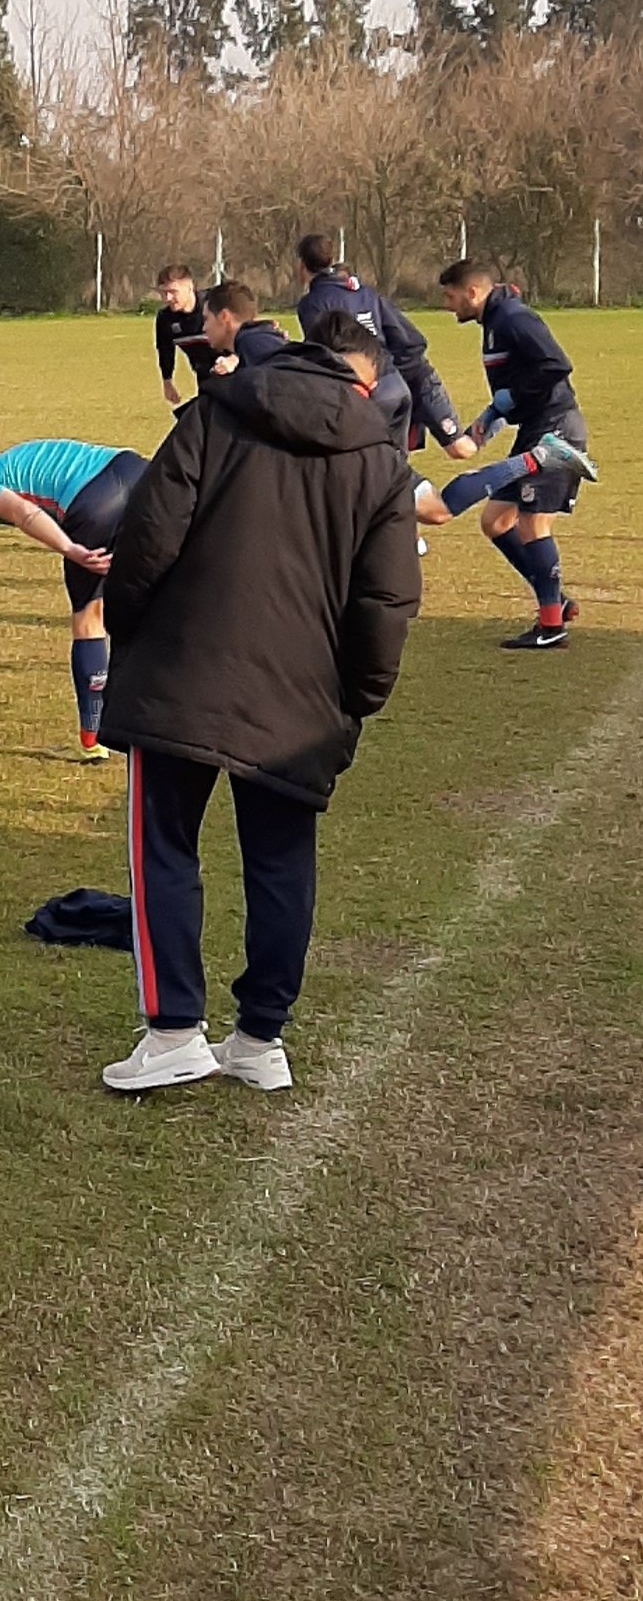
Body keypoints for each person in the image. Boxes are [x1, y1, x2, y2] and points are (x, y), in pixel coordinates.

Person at [97, 314, 419, 1094]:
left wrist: (127, 626)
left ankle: (174, 1028)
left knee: (162, 845)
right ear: (365, 383)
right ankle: (259, 1036)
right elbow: (385, 601)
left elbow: (146, 535)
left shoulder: (213, 410)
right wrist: (356, 698)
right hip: (298, 698)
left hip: (182, 671)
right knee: (280, 862)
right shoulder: (380, 461)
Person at [0, 439, 148, 763]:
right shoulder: (1, 465)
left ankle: (92, 738)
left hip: (93, 501)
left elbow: (23, 513)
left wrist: (70, 549)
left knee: (88, 618)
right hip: (134, 469)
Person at [440, 259, 593, 649]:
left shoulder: (511, 317)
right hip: (534, 428)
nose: (447, 305)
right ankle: (553, 597)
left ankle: (550, 625)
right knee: (495, 521)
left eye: (450, 296)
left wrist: (512, 397)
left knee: (532, 525)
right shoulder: (494, 320)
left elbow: (556, 365)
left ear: (473, 292)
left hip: (555, 431)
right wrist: (493, 415)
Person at [294, 233, 473, 458]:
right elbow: (410, 342)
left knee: (362, 470)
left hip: (364, 394)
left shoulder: (312, 304)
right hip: (396, 388)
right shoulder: (366, 294)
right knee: (395, 472)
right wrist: (394, 373)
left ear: (300, 264)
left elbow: (323, 356)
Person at [153, 265, 209, 409]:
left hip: (239, 372)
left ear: (190, 287)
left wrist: (233, 359)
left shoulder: (214, 304)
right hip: (205, 375)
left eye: (173, 292)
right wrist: (167, 381)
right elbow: (165, 350)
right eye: (164, 293)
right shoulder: (165, 318)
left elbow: (242, 328)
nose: (168, 298)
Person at [197, 281, 286, 371]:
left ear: (224, 316)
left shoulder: (252, 346)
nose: (204, 328)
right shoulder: (260, 341)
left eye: (206, 319)